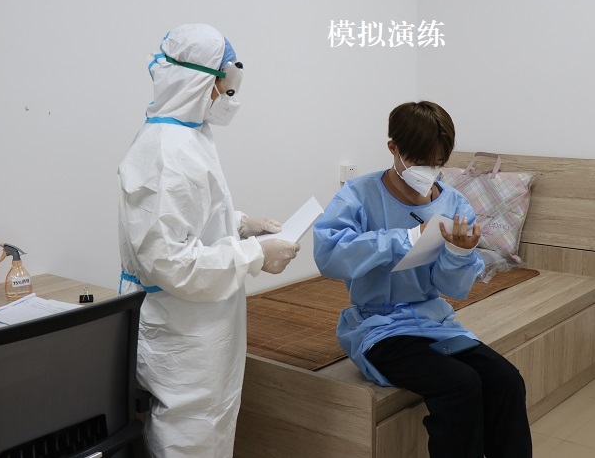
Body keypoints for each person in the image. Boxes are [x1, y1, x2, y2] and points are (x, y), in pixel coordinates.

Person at [117, 23, 300, 457]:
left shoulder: (189, 135)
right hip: (182, 330)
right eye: (225, 81)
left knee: (210, 428)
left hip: (200, 324)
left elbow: (190, 218)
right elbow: (172, 261)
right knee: (188, 437)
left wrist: (242, 224)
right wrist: (255, 255)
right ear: (198, 80)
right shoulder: (168, 151)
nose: (227, 93)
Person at [313, 101, 532, 458]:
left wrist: (460, 253)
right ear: (393, 148)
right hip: (380, 328)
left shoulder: (454, 204)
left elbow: (454, 288)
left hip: (435, 324)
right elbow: (329, 255)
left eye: (437, 162)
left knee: (506, 380)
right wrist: (406, 238)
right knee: (461, 384)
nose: (429, 171)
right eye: (419, 161)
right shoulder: (358, 194)